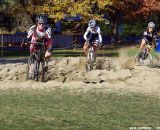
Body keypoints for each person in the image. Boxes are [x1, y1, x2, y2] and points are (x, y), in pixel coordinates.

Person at [23, 14, 53, 78]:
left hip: (44, 41)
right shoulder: (33, 28)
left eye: (43, 23)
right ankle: (31, 70)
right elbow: (28, 37)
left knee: (49, 48)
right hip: (35, 40)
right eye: (40, 23)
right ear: (37, 23)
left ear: (45, 24)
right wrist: (25, 42)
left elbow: (49, 39)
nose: (41, 25)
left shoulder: (48, 29)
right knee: (31, 49)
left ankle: (46, 63)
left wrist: (48, 50)